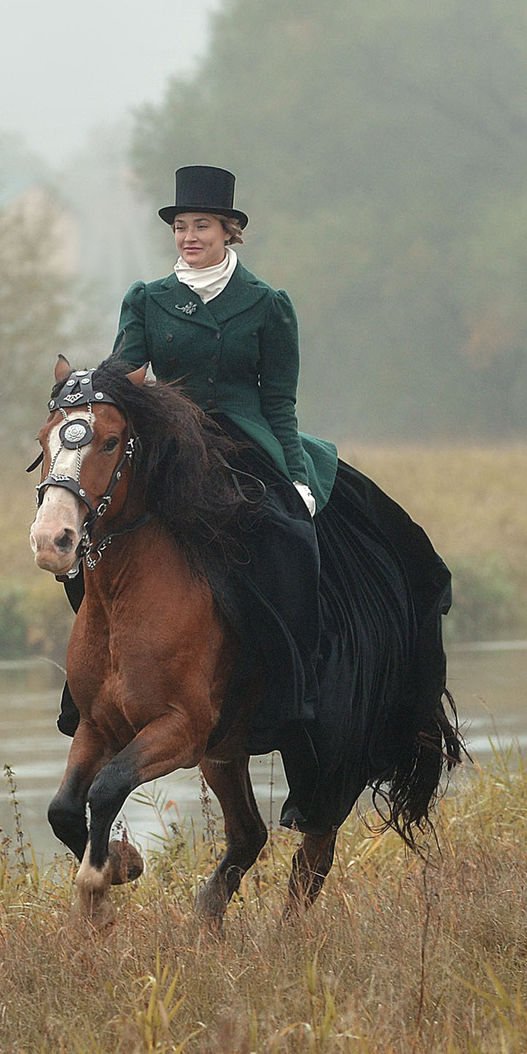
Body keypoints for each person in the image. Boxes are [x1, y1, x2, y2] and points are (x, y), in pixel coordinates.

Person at [101, 165, 332, 734]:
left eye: (201, 225)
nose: (188, 237)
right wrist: (84, 392)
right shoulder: (148, 299)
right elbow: (124, 376)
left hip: (242, 445)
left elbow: (280, 403)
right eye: (180, 226)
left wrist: (297, 477)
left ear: (229, 231)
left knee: (294, 540)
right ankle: (86, 686)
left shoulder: (267, 303)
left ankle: (295, 680)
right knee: (92, 533)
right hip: (171, 447)